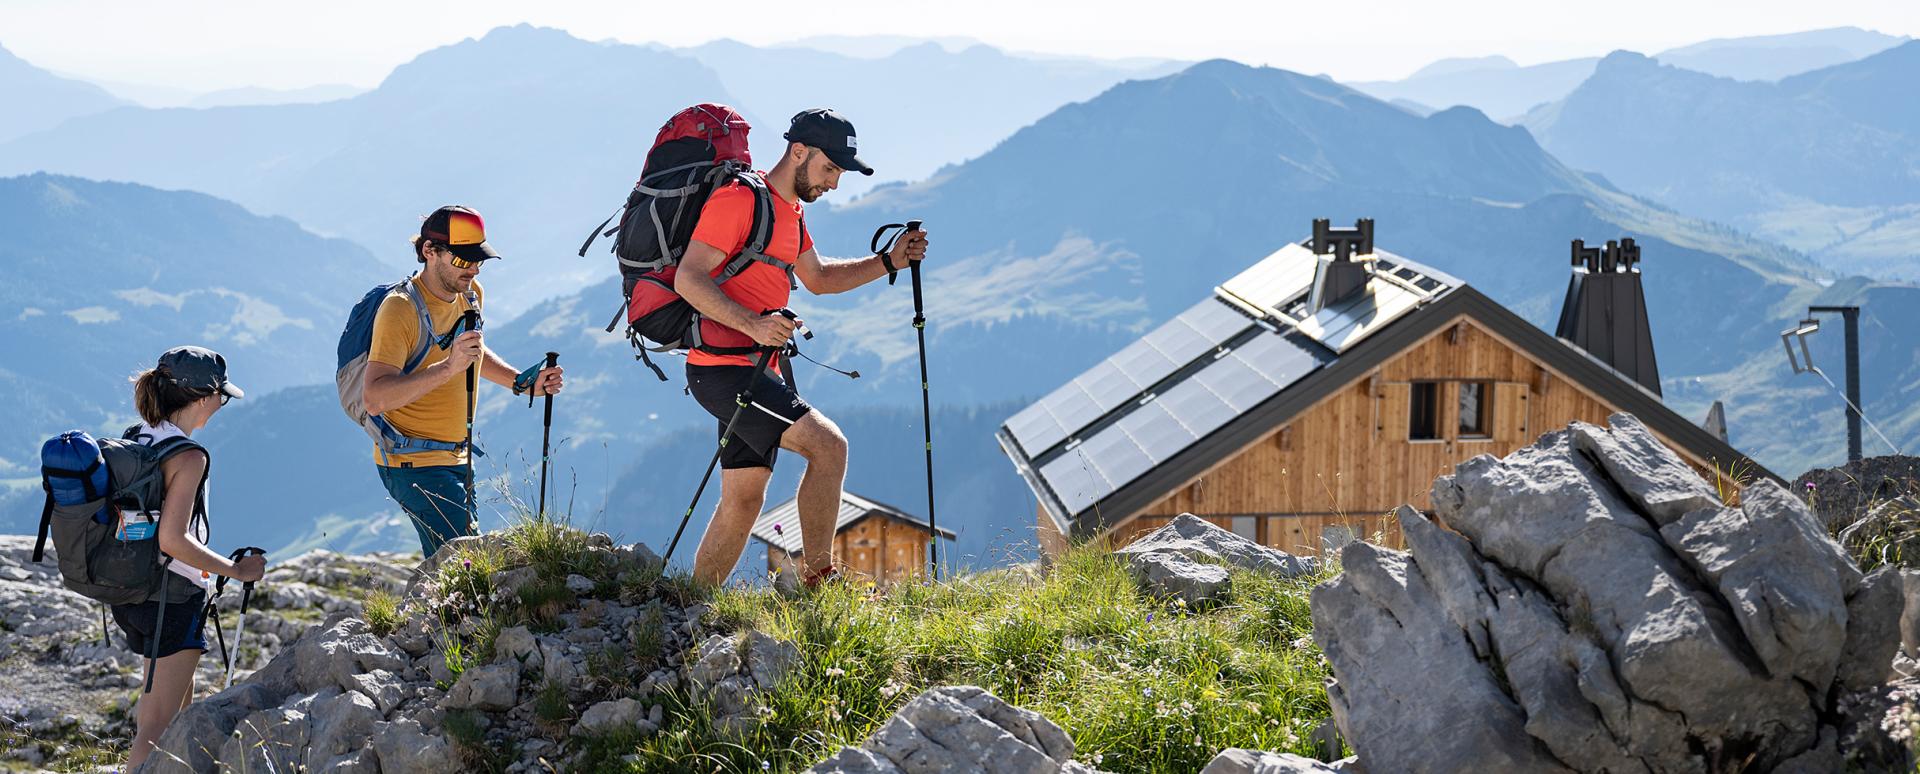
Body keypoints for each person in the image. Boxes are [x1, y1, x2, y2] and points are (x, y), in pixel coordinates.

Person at [679, 108, 929, 587]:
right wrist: (753, 324)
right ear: (798, 152)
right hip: (723, 370)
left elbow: (817, 278)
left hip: (754, 371)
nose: (834, 183)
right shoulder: (741, 201)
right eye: (829, 169)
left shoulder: (789, 213)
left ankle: (694, 605)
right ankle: (818, 580)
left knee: (744, 497)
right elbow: (689, 277)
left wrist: (888, 261)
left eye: (839, 172)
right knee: (829, 447)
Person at [360, 205, 564, 557]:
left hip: (456, 458)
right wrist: (447, 368)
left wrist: (522, 382)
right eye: (462, 260)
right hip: (413, 462)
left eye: (478, 260)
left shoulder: (471, 294)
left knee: (457, 564)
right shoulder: (400, 309)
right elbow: (374, 398)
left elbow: (472, 353)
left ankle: (434, 613)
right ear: (430, 252)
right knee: (464, 563)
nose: (472, 269)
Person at [117, 346, 265, 769]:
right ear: (202, 399)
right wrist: (235, 570)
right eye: (222, 395)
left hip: (139, 592)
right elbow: (173, 539)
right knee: (157, 724)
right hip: (174, 599)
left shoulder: (137, 437)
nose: (223, 404)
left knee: (174, 714)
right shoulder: (188, 456)